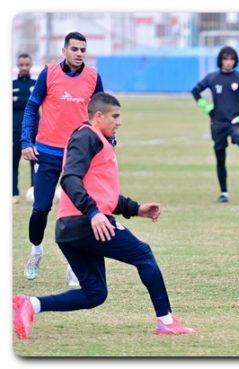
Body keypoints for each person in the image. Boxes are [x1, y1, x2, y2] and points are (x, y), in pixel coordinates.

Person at [13, 93, 194, 340]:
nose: (119, 122)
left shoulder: (98, 140)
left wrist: (136, 209)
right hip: (85, 223)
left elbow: (103, 193)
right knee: (144, 254)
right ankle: (166, 321)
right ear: (99, 116)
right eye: (115, 116)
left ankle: (30, 305)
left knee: (94, 293)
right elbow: (69, 179)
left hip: (70, 229)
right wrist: (94, 213)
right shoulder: (86, 136)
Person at [21, 32, 104, 286]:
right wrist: (26, 141)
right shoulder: (49, 73)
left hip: (77, 156)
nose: (79, 54)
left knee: (79, 212)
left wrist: (106, 139)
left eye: (83, 50)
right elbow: (32, 107)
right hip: (46, 153)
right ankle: (36, 251)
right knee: (41, 209)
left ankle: (73, 266)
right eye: (75, 49)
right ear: (64, 50)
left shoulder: (93, 77)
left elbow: (101, 112)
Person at [191, 46, 239, 203]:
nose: (228, 62)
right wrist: (208, 108)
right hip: (217, 124)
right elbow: (195, 91)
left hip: (235, 122)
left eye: (231, 59)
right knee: (220, 158)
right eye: (225, 58)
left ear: (235, 60)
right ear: (220, 60)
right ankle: (224, 193)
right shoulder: (212, 78)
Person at [12, 53, 37, 203]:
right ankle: (13, 193)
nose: (24, 68)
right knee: (12, 162)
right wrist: (26, 100)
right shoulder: (11, 84)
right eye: (21, 65)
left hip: (34, 129)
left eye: (27, 65)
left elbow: (34, 104)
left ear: (31, 65)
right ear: (17, 65)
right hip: (14, 130)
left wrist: (17, 100)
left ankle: (34, 191)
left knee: (35, 163)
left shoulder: (36, 83)